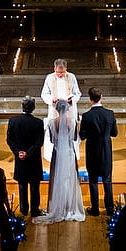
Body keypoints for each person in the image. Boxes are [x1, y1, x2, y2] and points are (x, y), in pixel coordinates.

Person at [40, 90, 86, 225]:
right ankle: (70, 207)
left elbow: (53, 141)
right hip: (69, 153)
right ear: (67, 109)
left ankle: (56, 206)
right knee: (70, 179)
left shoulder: (51, 122)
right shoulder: (73, 122)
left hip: (57, 153)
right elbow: (74, 138)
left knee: (57, 179)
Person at [77, 87, 118, 216]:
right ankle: (110, 208)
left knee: (93, 179)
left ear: (90, 99)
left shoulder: (87, 116)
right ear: (101, 97)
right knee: (107, 179)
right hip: (105, 148)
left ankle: (95, 208)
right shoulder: (110, 113)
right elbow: (115, 133)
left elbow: (82, 136)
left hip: (92, 149)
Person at [6, 97, 45, 217]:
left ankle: (23, 209)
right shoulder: (38, 122)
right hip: (33, 158)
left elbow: (9, 140)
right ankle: (35, 209)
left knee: (22, 184)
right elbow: (39, 142)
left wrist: (18, 152)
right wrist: (28, 153)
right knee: (35, 185)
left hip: (20, 158)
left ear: (22, 106)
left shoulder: (13, 121)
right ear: (33, 108)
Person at [40, 58, 81, 169]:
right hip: (55, 110)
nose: (60, 74)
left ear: (66, 69)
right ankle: (51, 155)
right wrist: (51, 99)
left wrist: (71, 99)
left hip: (70, 110)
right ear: (54, 69)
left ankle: (72, 154)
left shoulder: (71, 77)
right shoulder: (49, 78)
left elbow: (77, 93)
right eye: (58, 72)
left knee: (70, 131)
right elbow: (44, 94)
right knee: (54, 131)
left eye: (62, 72)